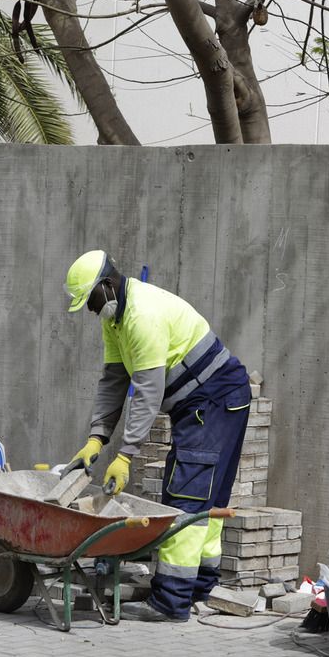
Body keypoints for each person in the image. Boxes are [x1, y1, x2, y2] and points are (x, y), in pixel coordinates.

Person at [63, 250, 251, 622]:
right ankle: (200, 587)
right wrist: (96, 438)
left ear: (106, 285)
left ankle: (171, 601)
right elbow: (115, 381)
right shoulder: (114, 320)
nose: (89, 311)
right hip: (208, 401)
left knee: (187, 496)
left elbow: (147, 391)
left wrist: (126, 455)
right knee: (205, 498)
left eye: (90, 301)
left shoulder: (141, 317)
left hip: (213, 399)